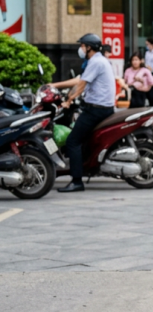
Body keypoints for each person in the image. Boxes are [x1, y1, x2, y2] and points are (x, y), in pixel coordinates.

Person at [48, 34, 117, 193]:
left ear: (89, 48)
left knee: (72, 141)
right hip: (102, 107)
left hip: (96, 110)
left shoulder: (95, 62)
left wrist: (69, 99)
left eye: (82, 46)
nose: (80, 49)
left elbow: (81, 85)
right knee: (82, 139)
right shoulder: (100, 60)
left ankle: (77, 181)